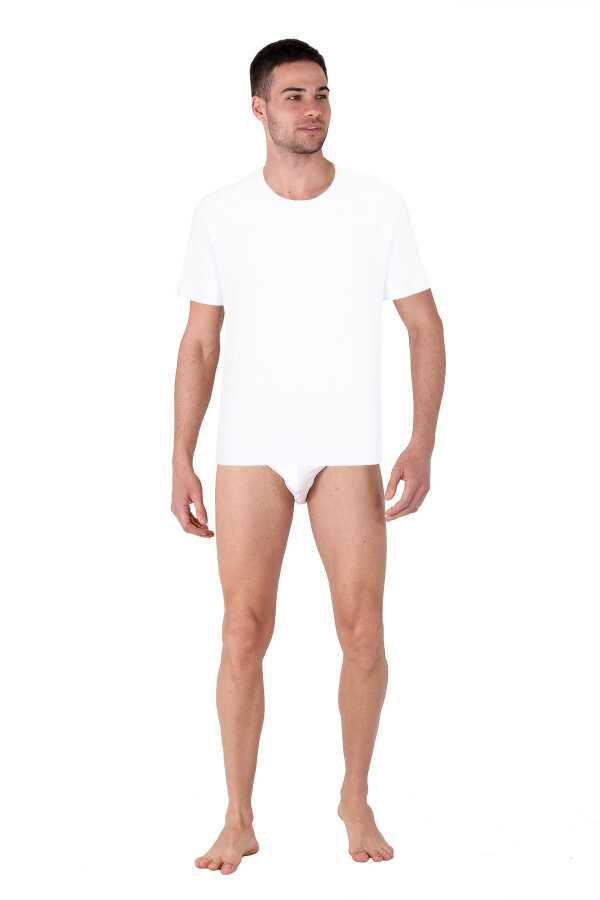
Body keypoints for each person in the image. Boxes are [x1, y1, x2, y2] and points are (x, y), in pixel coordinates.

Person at [171, 38, 446, 875]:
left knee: (363, 631)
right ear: (259, 109)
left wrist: (421, 441)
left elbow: (425, 327)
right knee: (242, 632)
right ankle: (238, 817)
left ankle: (355, 796)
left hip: (346, 446)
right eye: (294, 95)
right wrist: (180, 456)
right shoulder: (221, 212)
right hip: (251, 446)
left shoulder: (376, 205)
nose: (312, 108)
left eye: (321, 93)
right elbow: (200, 343)